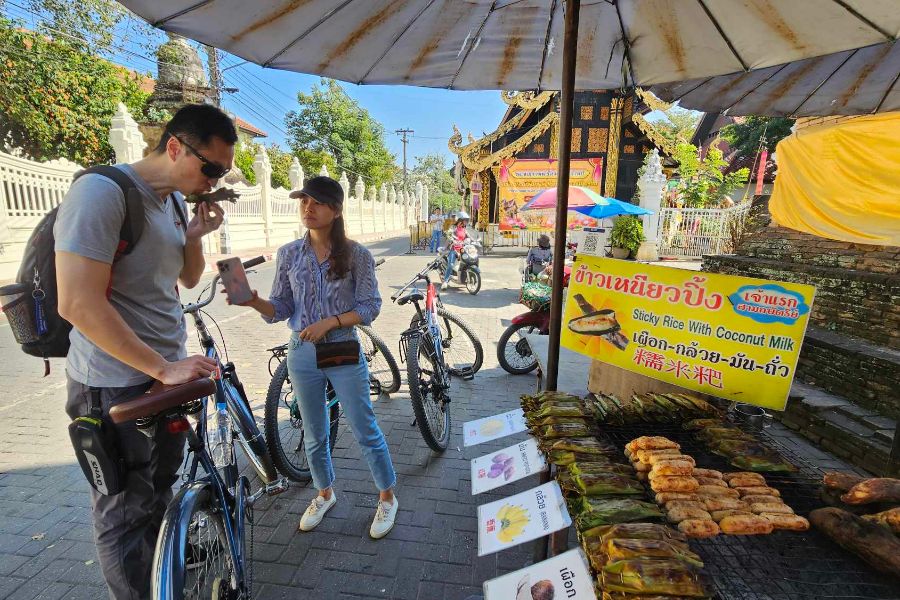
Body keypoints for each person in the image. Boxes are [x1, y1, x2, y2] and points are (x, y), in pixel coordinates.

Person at [55, 103, 236, 600]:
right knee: (121, 513)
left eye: (223, 171)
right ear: (174, 146)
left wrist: (196, 235)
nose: (216, 179)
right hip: (112, 382)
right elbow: (77, 301)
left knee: (157, 490)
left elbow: (186, 278)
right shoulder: (101, 193)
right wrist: (162, 367)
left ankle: (161, 577)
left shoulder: (174, 201)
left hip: (164, 377)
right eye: (211, 168)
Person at [234, 176, 399, 539]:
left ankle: (387, 496)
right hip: (302, 352)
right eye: (303, 201)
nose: (307, 208)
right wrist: (252, 300)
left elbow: (370, 306)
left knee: (364, 427)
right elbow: (281, 307)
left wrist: (331, 322)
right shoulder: (290, 253)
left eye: (316, 202)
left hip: (341, 348)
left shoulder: (357, 255)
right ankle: (324, 493)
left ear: (336, 210)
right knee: (313, 432)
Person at [442, 210, 477, 291]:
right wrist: (451, 238)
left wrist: (475, 240)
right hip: (454, 249)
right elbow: (449, 235)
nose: (466, 222)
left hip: (463, 250)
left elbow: (469, 237)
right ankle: (445, 281)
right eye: (464, 220)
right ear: (460, 220)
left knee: (469, 261)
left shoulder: (464, 229)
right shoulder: (454, 228)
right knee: (450, 264)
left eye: (466, 220)